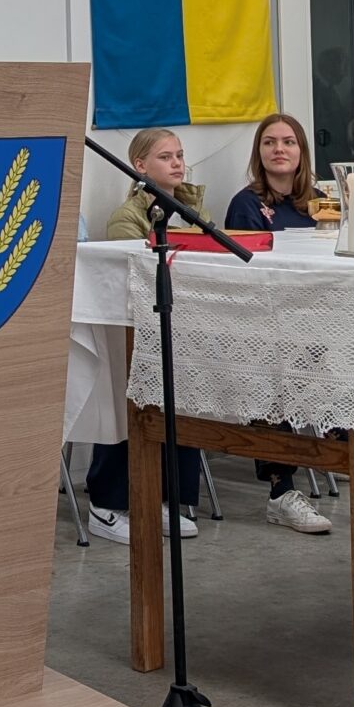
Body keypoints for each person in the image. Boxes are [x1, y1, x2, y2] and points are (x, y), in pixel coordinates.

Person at [82, 127, 207, 545]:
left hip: (184, 326)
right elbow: (130, 281)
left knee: (182, 401)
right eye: (165, 157)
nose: (177, 163)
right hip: (136, 334)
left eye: (180, 155)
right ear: (140, 166)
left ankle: (164, 498)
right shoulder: (127, 218)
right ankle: (107, 505)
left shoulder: (192, 210)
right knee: (132, 402)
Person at [225, 113, 334, 535]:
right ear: (259, 153)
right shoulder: (247, 204)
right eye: (269, 142)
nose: (279, 149)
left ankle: (348, 443)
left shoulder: (320, 201)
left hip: (314, 316)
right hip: (263, 322)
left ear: (302, 150)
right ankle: (282, 492)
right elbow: (247, 274)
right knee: (270, 371)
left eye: (288, 142)